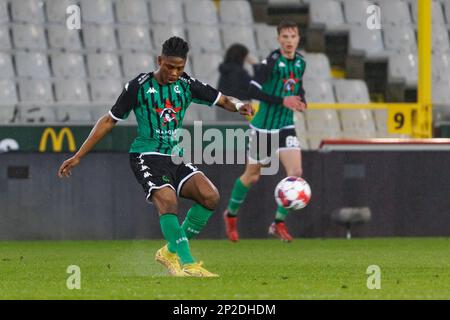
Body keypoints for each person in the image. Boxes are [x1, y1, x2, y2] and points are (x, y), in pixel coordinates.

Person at [58, 37, 254, 277]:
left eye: (179, 68)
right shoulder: (138, 86)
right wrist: (79, 155)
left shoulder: (187, 84)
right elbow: (109, 120)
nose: (173, 72)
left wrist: (239, 105)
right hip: (146, 155)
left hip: (175, 156)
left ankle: (169, 251)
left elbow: (224, 99)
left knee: (210, 196)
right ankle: (188, 263)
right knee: (169, 202)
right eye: (169, 66)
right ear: (159, 60)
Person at [223, 20, 307, 243]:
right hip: (263, 127)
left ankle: (278, 223)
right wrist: (283, 100)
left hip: (286, 125)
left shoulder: (300, 62)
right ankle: (230, 215)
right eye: (285, 37)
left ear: (298, 39)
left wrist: (302, 100)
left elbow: (298, 87)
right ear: (279, 39)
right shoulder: (269, 64)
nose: (289, 41)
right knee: (252, 176)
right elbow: (252, 90)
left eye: (293, 36)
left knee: (295, 172)